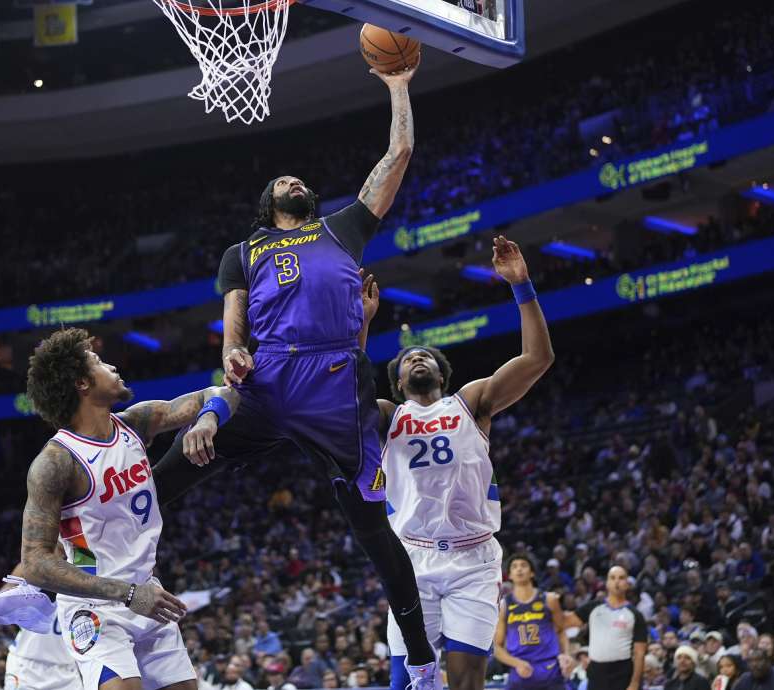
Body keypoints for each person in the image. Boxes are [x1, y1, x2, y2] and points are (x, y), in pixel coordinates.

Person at [147, 61, 440, 690]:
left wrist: (397, 86)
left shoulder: (342, 228)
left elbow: (400, 151)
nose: (293, 179)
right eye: (283, 179)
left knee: (371, 529)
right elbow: (233, 323)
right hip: (270, 377)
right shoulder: (243, 250)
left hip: (339, 381)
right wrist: (231, 355)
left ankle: (422, 663)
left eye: (298, 177)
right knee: (170, 469)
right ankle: (77, 561)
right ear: (270, 203)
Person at [367, 236, 555, 690]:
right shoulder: (389, 416)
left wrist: (522, 285)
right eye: (409, 357)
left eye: (425, 356)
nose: (417, 357)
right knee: (403, 682)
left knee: (466, 682)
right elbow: (343, 399)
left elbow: (538, 358)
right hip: (413, 555)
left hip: (473, 558)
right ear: (397, 381)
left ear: (441, 373)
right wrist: (361, 324)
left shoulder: (470, 402)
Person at [13, 328, 241, 690]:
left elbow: (221, 392)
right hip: (95, 606)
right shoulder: (55, 462)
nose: (113, 366)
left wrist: (209, 417)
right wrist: (128, 594)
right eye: (99, 362)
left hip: (148, 595)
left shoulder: (137, 423)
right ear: (82, 383)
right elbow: (35, 561)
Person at [494, 554, 572, 690]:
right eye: (514, 566)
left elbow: (561, 631)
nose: (519, 569)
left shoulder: (549, 599)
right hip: (521, 671)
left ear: (532, 573)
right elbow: (496, 647)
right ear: (510, 575)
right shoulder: (504, 606)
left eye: (523, 565)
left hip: (551, 670)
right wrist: (516, 663)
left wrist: (565, 654)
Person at [575, 567, 647, 690]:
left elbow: (639, 653)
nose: (617, 582)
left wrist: (634, 683)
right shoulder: (594, 607)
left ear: (627, 585)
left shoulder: (635, 614)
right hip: (596, 672)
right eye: (612, 578)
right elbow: (566, 621)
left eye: (621, 578)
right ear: (607, 583)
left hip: (622, 672)